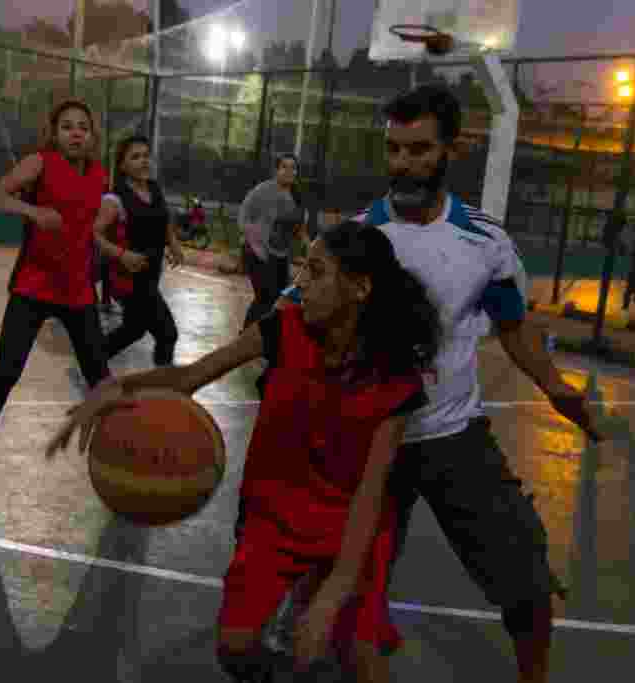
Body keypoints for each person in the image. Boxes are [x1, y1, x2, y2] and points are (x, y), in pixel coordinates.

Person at [276, 84, 604, 683]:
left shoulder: (484, 242)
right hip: (371, 439)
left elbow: (513, 329)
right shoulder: (354, 240)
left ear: (451, 148)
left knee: (525, 580)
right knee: (334, 590)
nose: (403, 163)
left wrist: (560, 391)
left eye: (419, 149)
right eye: (394, 149)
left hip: (454, 436)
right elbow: (290, 319)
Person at [47, 221, 442, 682]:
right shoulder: (282, 329)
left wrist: (335, 592)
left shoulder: (395, 377)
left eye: (315, 272)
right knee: (236, 649)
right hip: (274, 514)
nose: (300, 283)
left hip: (352, 523)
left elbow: (372, 495)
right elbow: (188, 378)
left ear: (359, 288)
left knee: (364, 659)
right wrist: (113, 388)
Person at [0, 99, 111, 480]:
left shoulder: (98, 175)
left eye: (83, 126)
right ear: (55, 132)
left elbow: (87, 225)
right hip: (33, 285)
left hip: (77, 290)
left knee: (100, 377)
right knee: (7, 370)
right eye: (67, 126)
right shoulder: (40, 163)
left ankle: (118, 446)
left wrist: (114, 254)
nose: (76, 132)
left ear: (92, 135)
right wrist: (34, 213)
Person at [92, 135, 184, 367]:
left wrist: (172, 242)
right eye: (136, 157)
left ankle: (91, 363)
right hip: (127, 280)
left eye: (146, 156)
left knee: (133, 330)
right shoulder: (115, 199)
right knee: (167, 333)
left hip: (150, 275)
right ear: (122, 165)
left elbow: (163, 220)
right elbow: (93, 234)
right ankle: (163, 388)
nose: (144, 161)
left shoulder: (154, 188)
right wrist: (122, 254)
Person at [239, 154, 307, 330]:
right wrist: (252, 239)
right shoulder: (263, 191)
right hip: (258, 253)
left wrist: (309, 245)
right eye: (284, 167)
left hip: (280, 256)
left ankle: (269, 338)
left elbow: (299, 227)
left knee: (280, 299)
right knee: (265, 297)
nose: (289, 171)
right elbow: (244, 216)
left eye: (293, 167)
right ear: (276, 170)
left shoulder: (297, 196)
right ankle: (246, 335)